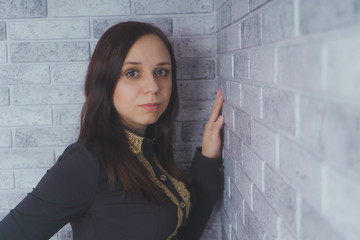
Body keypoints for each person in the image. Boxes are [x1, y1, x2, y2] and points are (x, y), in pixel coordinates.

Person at [0, 21, 224, 240]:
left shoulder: (150, 151)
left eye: (161, 71)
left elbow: (184, 233)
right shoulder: (86, 162)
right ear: (105, 81)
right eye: (133, 73)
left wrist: (208, 158)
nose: (154, 87)